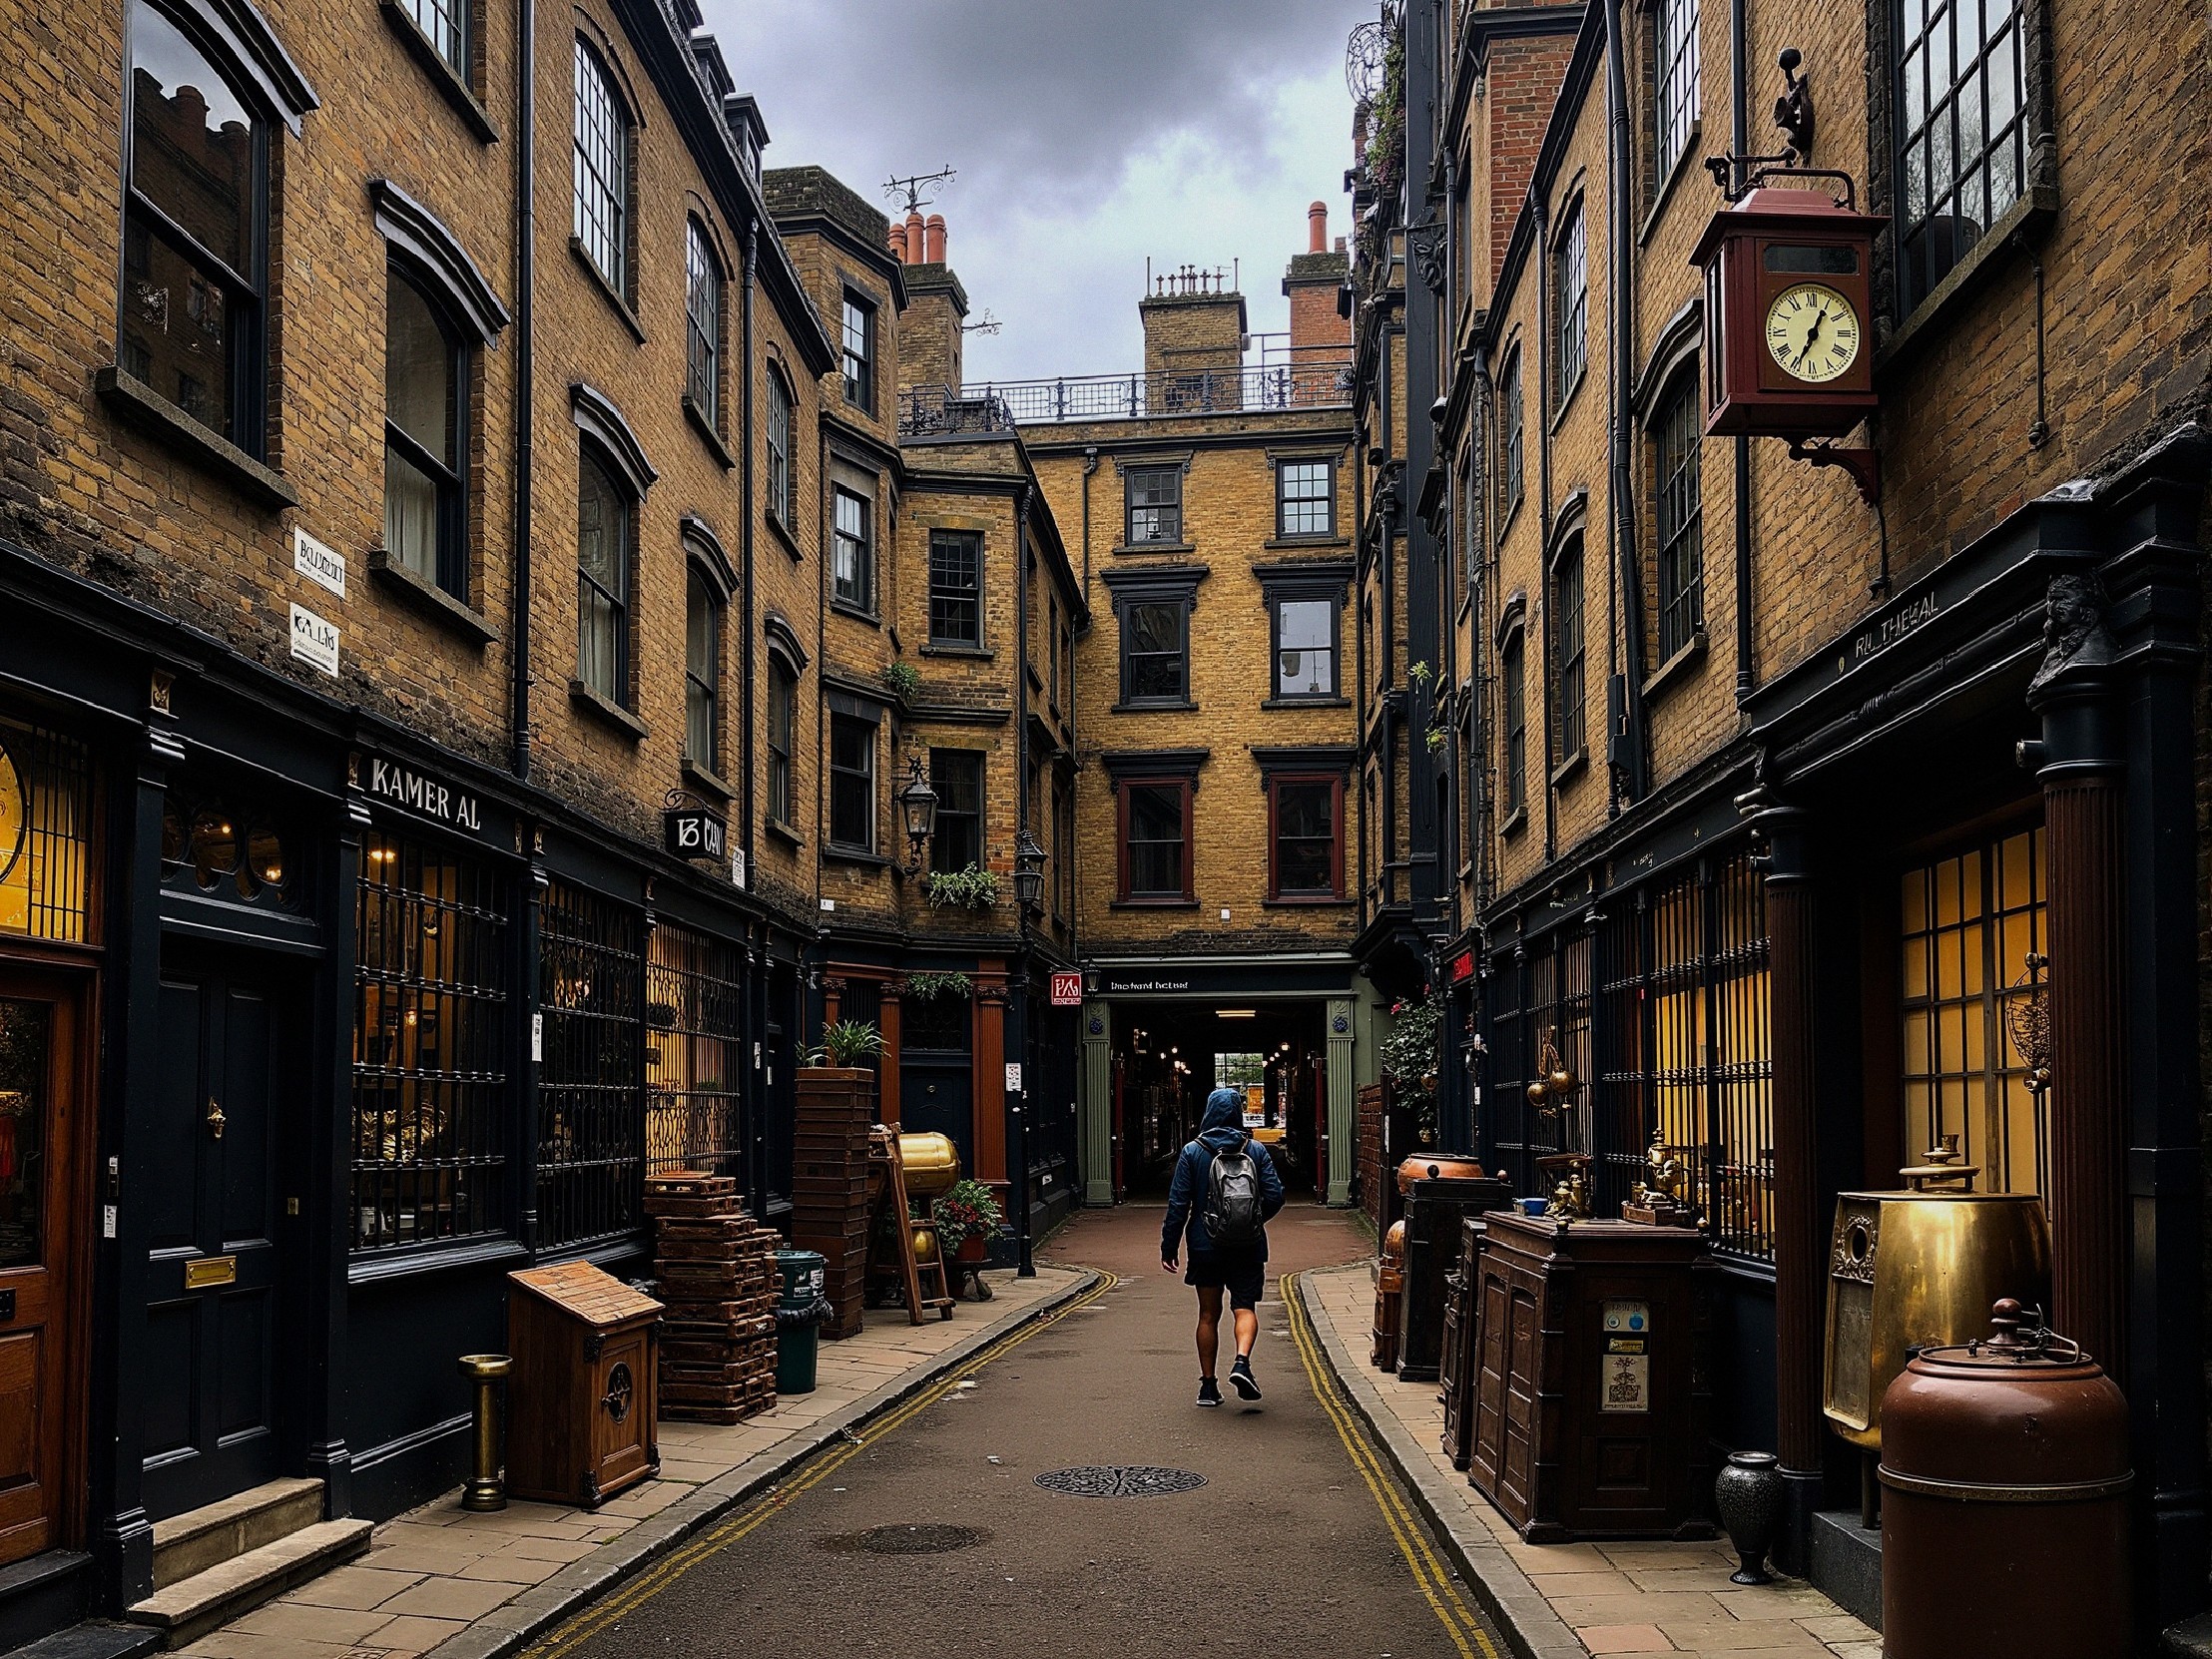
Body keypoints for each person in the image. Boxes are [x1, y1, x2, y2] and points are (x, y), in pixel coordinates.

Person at [1162, 1086, 1286, 1406]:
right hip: (1248, 1246)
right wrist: (1253, 1220)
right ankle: (1241, 1362)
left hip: (1205, 1245)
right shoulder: (1255, 1150)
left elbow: (1178, 1205)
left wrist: (1169, 1246)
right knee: (1244, 1308)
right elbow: (1275, 1196)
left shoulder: (1192, 1151)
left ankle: (1208, 1387)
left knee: (1207, 1314)